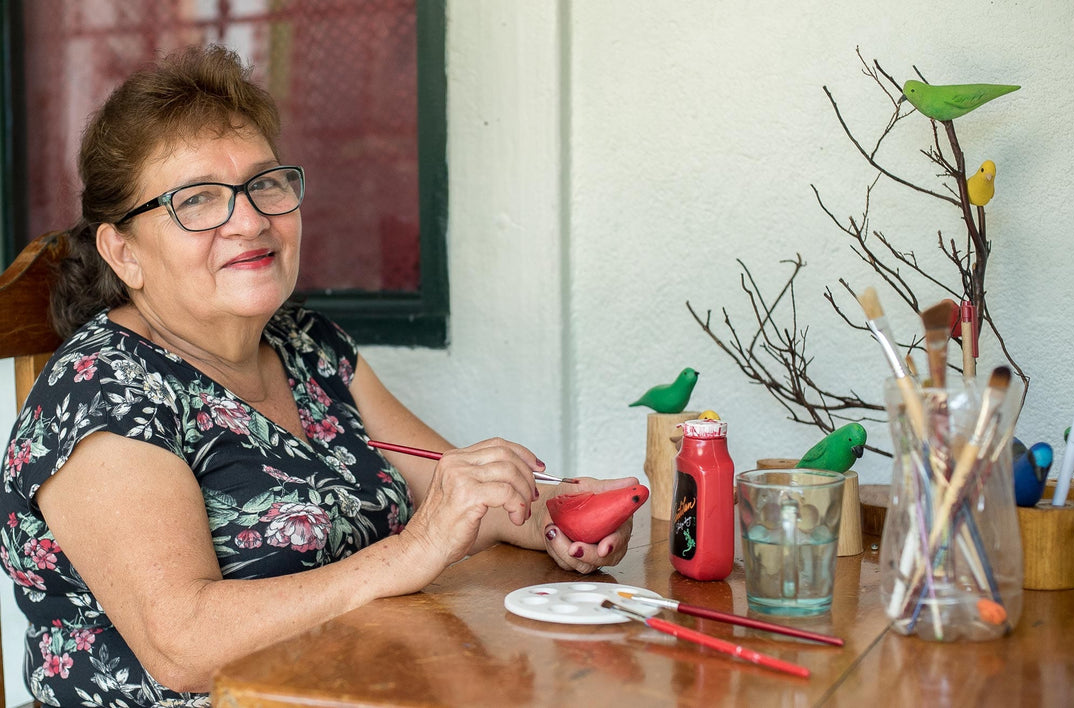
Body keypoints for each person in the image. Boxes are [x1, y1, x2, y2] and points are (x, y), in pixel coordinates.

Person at [0, 44, 635, 707]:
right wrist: (410, 552)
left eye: (264, 184)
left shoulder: (308, 346)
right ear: (123, 251)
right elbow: (182, 647)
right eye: (199, 200)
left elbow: (465, 502)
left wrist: (562, 516)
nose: (250, 221)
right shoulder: (99, 394)